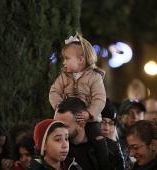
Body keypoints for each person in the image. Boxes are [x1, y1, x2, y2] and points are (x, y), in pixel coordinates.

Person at [49, 33, 109, 169]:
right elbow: (54, 91)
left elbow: (99, 98)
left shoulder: (94, 77)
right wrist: (58, 105)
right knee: (55, 137)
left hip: (89, 119)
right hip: (68, 117)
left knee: (99, 140)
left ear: (80, 60)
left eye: (67, 58)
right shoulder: (64, 76)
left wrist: (89, 113)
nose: (63, 62)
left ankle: (105, 165)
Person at [54, 97, 124, 170]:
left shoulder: (111, 150)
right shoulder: (53, 149)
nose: (58, 130)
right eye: (55, 124)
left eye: (65, 126)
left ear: (81, 125)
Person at [101, 97, 132, 170]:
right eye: (102, 122)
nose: (107, 128)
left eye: (111, 123)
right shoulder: (87, 148)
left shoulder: (122, 148)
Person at [117, 99, 146, 169]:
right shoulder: (115, 139)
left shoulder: (148, 137)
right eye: (130, 113)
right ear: (120, 118)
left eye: (138, 112)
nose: (135, 116)